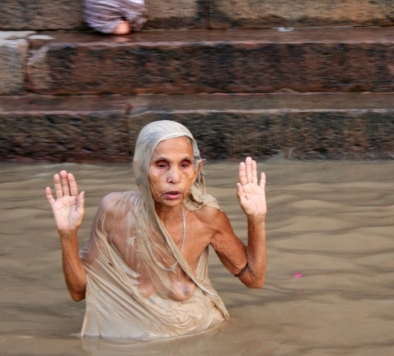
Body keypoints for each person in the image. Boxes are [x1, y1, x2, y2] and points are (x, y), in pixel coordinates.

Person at [45, 121, 267, 339]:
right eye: (161, 165)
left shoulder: (207, 216)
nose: (174, 178)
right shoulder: (115, 211)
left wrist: (256, 219)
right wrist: (67, 235)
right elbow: (79, 292)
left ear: (196, 169)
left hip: (200, 339)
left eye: (184, 164)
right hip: (133, 354)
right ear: (141, 167)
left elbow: (254, 279)